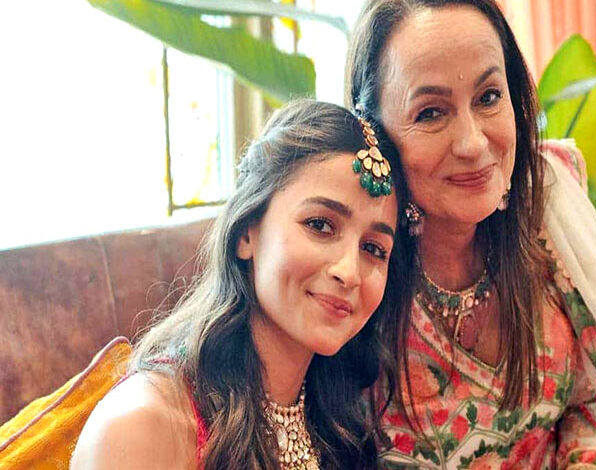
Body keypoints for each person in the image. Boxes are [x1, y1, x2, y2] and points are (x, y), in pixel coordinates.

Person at [345, 1, 596, 469]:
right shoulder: (347, 273)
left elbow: (593, 395)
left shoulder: (548, 211)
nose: (473, 143)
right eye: (431, 112)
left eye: (488, 97)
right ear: (372, 133)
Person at [70, 100, 413, 470]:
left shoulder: (338, 423)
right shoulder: (143, 426)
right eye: (320, 225)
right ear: (246, 233)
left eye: (374, 249)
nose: (349, 271)